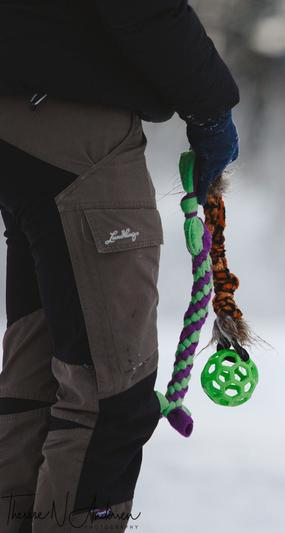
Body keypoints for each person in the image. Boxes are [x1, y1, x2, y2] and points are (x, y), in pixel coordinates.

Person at [0, 1, 240, 531]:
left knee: (35, 385)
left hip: (22, 125)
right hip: (73, 135)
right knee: (110, 398)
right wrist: (211, 106)